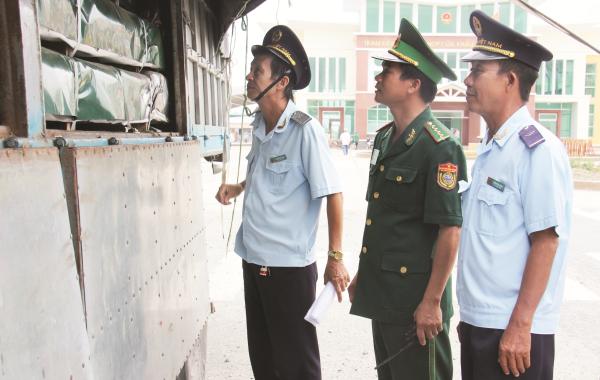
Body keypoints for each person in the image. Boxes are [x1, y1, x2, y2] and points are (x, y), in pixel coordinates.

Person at [215, 25, 350, 380]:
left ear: (281, 83)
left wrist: (335, 257)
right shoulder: (261, 124)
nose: (249, 75)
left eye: (257, 71)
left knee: (296, 366)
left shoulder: (305, 131)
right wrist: (239, 186)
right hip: (253, 259)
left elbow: (333, 192)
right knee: (264, 360)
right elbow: (269, 175)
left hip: (288, 269)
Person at [456, 10, 573, 380]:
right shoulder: (493, 149)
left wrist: (521, 326)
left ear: (509, 80)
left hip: (512, 332)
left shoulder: (537, 150)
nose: (467, 80)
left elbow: (545, 242)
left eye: (477, 71)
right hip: (480, 322)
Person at [348, 18, 466, 380]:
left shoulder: (439, 146)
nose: (378, 77)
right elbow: (382, 219)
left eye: (389, 70)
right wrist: (363, 276)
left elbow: (449, 231)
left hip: (416, 304)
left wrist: (432, 302)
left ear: (414, 83)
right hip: (383, 296)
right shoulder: (385, 139)